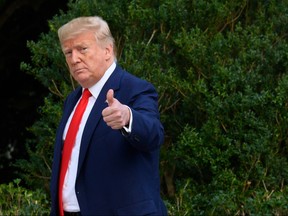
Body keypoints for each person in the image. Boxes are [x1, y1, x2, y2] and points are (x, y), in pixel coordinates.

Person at [49, 16, 168, 216]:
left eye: (82, 49)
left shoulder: (135, 88)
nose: (74, 59)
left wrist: (128, 117)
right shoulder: (73, 100)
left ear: (108, 50)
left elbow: (154, 134)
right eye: (68, 52)